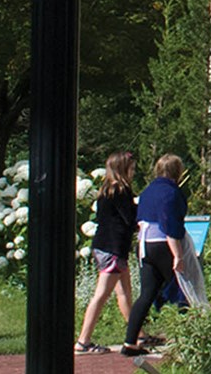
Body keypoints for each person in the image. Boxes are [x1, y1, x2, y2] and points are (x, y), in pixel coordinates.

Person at [122, 154, 187, 357]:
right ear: (178, 172)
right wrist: (178, 255)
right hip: (163, 244)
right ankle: (189, 339)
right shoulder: (171, 192)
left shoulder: (148, 190)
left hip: (144, 245)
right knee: (183, 289)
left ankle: (130, 342)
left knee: (147, 294)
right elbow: (170, 224)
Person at [74, 151, 137, 355]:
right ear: (123, 169)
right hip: (114, 248)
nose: (134, 171)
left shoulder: (106, 190)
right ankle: (84, 340)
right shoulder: (122, 190)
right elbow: (129, 218)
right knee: (101, 295)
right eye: (132, 167)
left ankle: (137, 332)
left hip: (104, 245)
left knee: (124, 292)